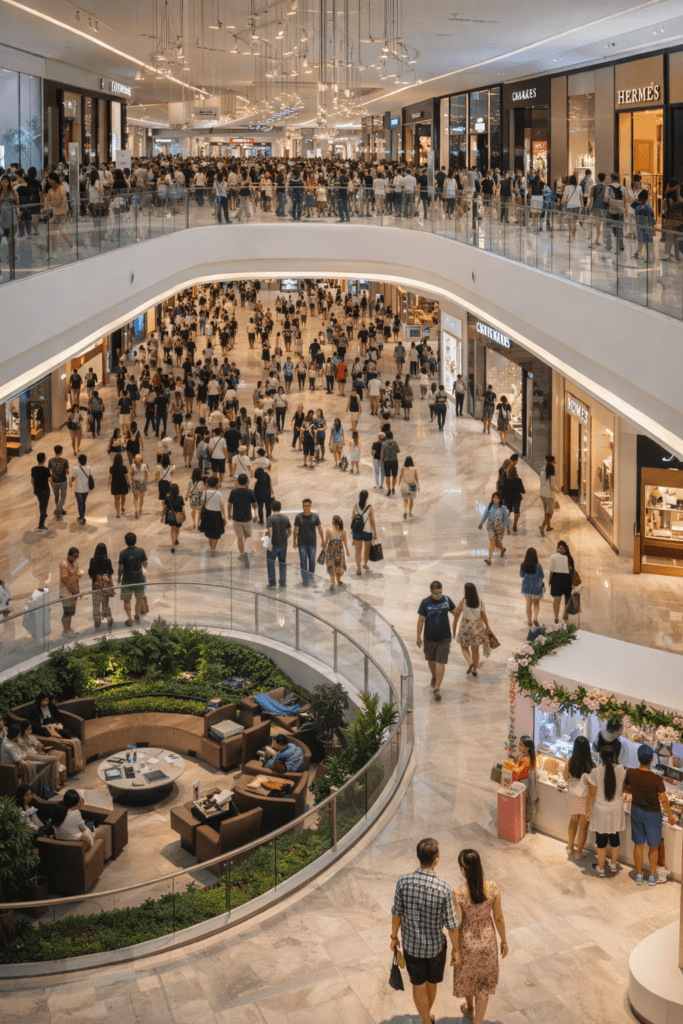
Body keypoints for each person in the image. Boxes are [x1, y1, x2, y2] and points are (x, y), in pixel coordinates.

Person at [390, 837, 459, 1024]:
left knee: (418, 986)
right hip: (436, 948)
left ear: (417, 856)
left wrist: (394, 937)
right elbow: (452, 925)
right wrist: (456, 950)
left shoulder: (403, 882)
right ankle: (426, 1019)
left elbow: (397, 914)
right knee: (432, 982)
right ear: (437, 859)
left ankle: (426, 1020)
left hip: (412, 947)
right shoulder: (443, 888)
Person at [452, 848, 508, 1024]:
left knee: (468, 976)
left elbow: (457, 924)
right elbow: (498, 917)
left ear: (464, 869)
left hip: (467, 944)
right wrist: (504, 940)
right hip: (487, 942)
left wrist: (455, 950)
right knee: (483, 986)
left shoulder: (458, 893)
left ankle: (469, 1007)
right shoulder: (493, 888)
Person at [624, 744, 676, 886]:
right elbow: (664, 799)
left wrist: (635, 792)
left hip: (636, 811)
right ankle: (652, 877)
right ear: (652, 759)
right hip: (653, 814)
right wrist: (671, 815)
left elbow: (625, 787)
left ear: (638, 758)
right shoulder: (656, 778)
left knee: (638, 845)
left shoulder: (630, 772)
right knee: (653, 846)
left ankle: (639, 875)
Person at [586, 744, 626, 877]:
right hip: (616, 809)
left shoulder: (596, 772)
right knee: (615, 839)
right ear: (614, 756)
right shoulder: (621, 769)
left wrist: (587, 810)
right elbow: (622, 788)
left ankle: (601, 868)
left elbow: (592, 794)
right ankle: (613, 865)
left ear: (600, 757)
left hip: (600, 810)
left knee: (601, 840)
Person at [416, 580, 457, 701]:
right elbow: (420, 620)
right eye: (436, 593)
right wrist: (418, 636)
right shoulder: (425, 602)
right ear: (431, 592)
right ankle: (434, 676)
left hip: (444, 638)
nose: (439, 595)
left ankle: (437, 688)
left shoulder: (446, 600)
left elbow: (455, 612)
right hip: (429, 638)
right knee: (431, 660)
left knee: (441, 662)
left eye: (440, 593)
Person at [452, 582, 492, 680]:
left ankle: (470, 662)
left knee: (464, 647)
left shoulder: (463, 601)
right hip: (477, 629)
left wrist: (454, 629)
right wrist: (487, 626)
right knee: (475, 650)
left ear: (466, 592)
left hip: (466, 628)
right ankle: (474, 670)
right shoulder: (480, 602)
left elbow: (456, 615)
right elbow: (483, 615)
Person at [563, 736, 593, 860]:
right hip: (585, 796)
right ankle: (579, 852)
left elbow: (565, 777)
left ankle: (570, 847)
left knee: (573, 820)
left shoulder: (570, 761)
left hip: (573, 795)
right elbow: (593, 785)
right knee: (583, 826)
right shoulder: (591, 764)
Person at [18, 720, 66, 792]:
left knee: (51, 763)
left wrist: (41, 746)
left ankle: (51, 786)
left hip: (37, 753)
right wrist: (35, 749)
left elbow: (38, 743)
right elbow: (26, 752)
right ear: (23, 729)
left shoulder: (31, 737)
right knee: (54, 759)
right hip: (29, 756)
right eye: (28, 729)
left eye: (31, 729)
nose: (30, 731)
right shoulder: (20, 740)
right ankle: (54, 784)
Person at [117, 532, 148, 626]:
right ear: (136, 540)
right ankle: (137, 614)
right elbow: (145, 563)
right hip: (139, 579)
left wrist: (119, 577)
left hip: (127, 580)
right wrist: (144, 572)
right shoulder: (141, 551)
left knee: (127, 600)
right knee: (139, 599)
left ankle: (129, 619)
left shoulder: (123, 553)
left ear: (125, 541)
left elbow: (121, 568)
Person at [228, 473, 257, 568]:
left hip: (236, 518)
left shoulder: (233, 492)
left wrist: (229, 514)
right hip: (247, 518)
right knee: (248, 536)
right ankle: (246, 552)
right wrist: (255, 515)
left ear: (238, 481)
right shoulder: (250, 492)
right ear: (247, 482)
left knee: (239, 538)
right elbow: (255, 505)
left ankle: (241, 554)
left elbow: (229, 505)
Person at [293, 498, 324, 586]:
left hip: (312, 543)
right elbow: (295, 530)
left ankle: (310, 576)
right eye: (304, 506)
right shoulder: (298, 517)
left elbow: (320, 529)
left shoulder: (315, 516)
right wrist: (294, 542)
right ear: (302, 506)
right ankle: (305, 579)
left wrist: (323, 540)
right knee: (303, 561)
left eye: (308, 506)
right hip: (301, 543)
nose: (306, 508)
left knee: (312, 560)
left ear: (310, 506)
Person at [265, 500, 292, 588]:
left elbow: (269, 530)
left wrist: (268, 541)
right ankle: (283, 582)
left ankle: (272, 583)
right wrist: (286, 538)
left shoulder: (270, 518)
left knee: (270, 564)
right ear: (280, 507)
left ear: (271, 508)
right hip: (283, 545)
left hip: (273, 545)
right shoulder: (285, 518)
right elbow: (290, 531)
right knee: (282, 563)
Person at [478, 492, 510, 566]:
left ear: (500, 499)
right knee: (492, 542)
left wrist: (508, 528)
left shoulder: (503, 508)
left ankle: (502, 549)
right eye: (494, 497)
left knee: (497, 543)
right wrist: (481, 523)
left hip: (500, 527)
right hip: (490, 526)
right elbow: (485, 515)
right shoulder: (489, 506)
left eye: (497, 497)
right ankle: (489, 560)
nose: (495, 499)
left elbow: (506, 518)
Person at [88, 541, 114, 628]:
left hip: (96, 585)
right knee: (106, 603)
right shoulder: (108, 560)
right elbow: (110, 573)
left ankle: (97, 621)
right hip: (106, 585)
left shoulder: (92, 560)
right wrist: (110, 584)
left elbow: (90, 572)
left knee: (96, 603)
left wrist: (95, 579)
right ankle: (108, 617)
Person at [350, 490, 377, 575]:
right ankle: (365, 564)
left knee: (358, 550)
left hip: (357, 532)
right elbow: (372, 520)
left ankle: (358, 569)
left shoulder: (355, 506)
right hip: (367, 531)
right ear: (367, 497)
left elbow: (352, 518)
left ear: (359, 497)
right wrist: (375, 532)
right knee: (367, 550)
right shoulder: (370, 507)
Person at [199, 475, 227, 555]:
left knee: (209, 532)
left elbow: (201, 504)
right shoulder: (219, 494)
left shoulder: (205, 492)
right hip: (216, 514)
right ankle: (213, 550)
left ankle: (211, 548)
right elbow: (222, 506)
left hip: (207, 513)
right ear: (216, 484)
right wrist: (224, 516)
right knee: (216, 533)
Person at [549, 539, 575, 622]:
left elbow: (572, 572)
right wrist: (550, 581)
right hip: (561, 579)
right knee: (560, 600)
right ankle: (559, 618)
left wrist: (550, 581)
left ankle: (562, 617)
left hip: (561, 580)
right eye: (559, 548)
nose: (560, 550)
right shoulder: (568, 558)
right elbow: (551, 571)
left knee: (561, 600)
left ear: (565, 549)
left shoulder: (555, 557)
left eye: (561, 548)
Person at [323, 514, 350, 592]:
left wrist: (324, 547)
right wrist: (347, 551)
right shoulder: (343, 531)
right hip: (339, 550)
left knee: (331, 567)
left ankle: (333, 583)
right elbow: (345, 542)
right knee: (339, 566)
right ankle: (338, 581)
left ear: (332, 522)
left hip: (331, 550)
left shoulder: (328, 530)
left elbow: (326, 542)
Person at [59, 545, 82, 636]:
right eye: (74, 556)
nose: (75, 558)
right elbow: (65, 579)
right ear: (69, 555)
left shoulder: (75, 562)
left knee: (71, 611)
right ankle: (65, 631)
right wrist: (72, 590)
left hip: (74, 591)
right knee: (67, 612)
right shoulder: (64, 565)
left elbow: (75, 573)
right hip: (66, 593)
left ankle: (69, 628)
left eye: (77, 556)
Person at [519, 547, 544, 628]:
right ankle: (535, 619)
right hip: (537, 586)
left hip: (526, 586)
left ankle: (529, 621)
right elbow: (542, 576)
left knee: (528, 604)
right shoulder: (538, 566)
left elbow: (521, 575)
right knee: (536, 603)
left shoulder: (523, 565)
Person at [539, 455, 560, 536]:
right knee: (550, 513)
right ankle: (542, 526)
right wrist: (558, 490)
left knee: (546, 511)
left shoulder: (542, 469)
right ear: (552, 462)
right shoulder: (551, 473)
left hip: (542, 494)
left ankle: (548, 526)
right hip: (549, 495)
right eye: (554, 462)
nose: (555, 463)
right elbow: (552, 487)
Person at [70, 452, 92, 525]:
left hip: (78, 489)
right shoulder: (88, 468)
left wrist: (71, 481)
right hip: (86, 489)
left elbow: (73, 479)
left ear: (79, 461)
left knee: (80, 503)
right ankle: (82, 517)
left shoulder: (75, 468)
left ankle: (81, 518)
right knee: (83, 503)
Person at [48, 445, 69, 519]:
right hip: (63, 481)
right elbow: (67, 471)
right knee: (63, 497)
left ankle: (59, 511)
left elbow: (50, 470)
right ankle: (58, 511)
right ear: (61, 451)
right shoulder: (65, 461)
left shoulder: (50, 460)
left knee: (56, 496)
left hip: (54, 481)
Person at [31, 452, 51, 531]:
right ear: (44, 459)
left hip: (37, 490)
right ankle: (41, 525)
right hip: (45, 491)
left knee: (41, 503)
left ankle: (44, 515)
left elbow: (32, 481)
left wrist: (35, 488)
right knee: (44, 507)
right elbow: (50, 480)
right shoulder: (46, 470)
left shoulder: (33, 469)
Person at [163, 482, 185, 548]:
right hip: (178, 515)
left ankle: (172, 544)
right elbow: (183, 507)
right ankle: (176, 539)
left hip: (171, 516)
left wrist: (162, 516)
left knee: (172, 529)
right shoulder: (180, 498)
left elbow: (164, 507)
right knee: (177, 528)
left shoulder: (167, 498)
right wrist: (183, 513)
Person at [108, 452, 130, 518]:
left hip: (115, 484)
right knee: (123, 497)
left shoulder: (112, 468)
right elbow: (127, 476)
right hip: (123, 484)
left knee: (116, 499)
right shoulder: (124, 467)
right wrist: (128, 483)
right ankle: (122, 507)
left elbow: (110, 476)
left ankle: (118, 513)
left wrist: (108, 482)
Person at [380, 430, 400, 496]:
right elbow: (399, 450)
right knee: (394, 476)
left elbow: (382, 453)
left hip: (387, 462)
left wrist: (380, 460)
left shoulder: (384, 444)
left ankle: (388, 489)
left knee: (387, 476)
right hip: (394, 461)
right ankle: (393, 487)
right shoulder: (395, 442)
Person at [130, 453, 150, 518]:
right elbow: (131, 474)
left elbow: (146, 474)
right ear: (135, 460)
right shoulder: (133, 466)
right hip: (135, 482)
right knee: (136, 497)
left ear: (141, 459)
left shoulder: (144, 465)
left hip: (142, 482)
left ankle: (140, 508)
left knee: (141, 498)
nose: (138, 459)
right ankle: (136, 510)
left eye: (139, 458)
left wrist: (146, 480)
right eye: (136, 458)